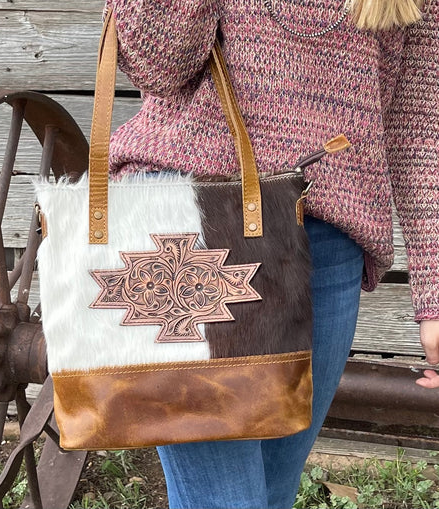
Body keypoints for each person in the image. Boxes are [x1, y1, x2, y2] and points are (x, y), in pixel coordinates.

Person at [102, 0, 439, 507]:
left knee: (274, 491)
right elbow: (158, 63)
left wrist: (434, 293)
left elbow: (420, 126)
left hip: (325, 247)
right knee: (225, 501)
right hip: (186, 231)